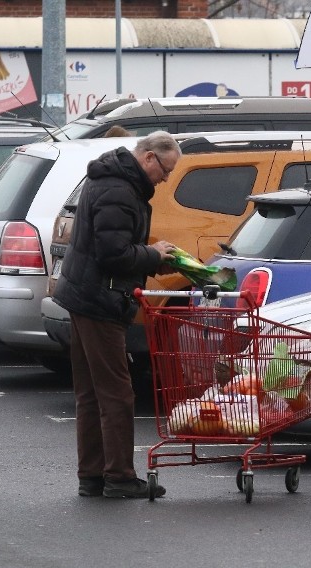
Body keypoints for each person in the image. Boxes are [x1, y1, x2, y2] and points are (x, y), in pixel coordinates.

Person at [53, 131, 182, 498]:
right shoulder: (120, 190)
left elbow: (112, 248)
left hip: (85, 296)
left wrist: (153, 259)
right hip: (99, 300)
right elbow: (113, 253)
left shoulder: (112, 181)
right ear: (149, 158)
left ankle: (92, 476)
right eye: (166, 170)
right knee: (117, 394)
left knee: (92, 393)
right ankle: (120, 478)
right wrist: (153, 254)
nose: (166, 179)